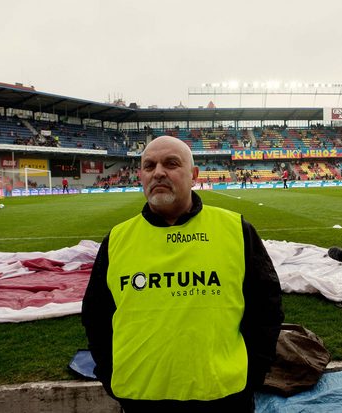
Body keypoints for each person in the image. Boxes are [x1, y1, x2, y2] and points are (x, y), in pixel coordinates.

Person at [82, 136, 284, 413]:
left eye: (171, 163)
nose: (159, 172)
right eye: (149, 166)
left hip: (224, 396)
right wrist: (109, 373)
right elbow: (96, 316)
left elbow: (266, 308)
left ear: (194, 175)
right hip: (139, 396)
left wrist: (253, 374)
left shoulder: (236, 229)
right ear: (140, 175)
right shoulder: (117, 239)